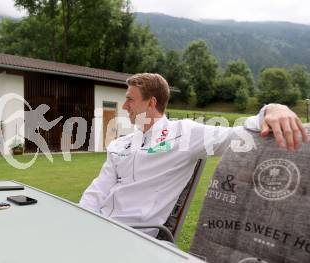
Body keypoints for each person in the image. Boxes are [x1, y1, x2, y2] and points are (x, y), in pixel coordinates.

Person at [79, 73, 308, 234]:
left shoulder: (185, 134)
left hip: (131, 235)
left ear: (151, 102)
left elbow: (236, 135)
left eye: (130, 99)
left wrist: (272, 109)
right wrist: (80, 219)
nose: (125, 105)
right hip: (96, 226)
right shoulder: (121, 144)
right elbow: (98, 188)